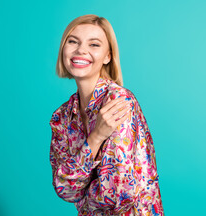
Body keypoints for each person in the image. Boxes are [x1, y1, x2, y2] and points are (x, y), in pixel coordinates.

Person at [49, 14, 164, 216]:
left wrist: (82, 190)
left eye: (94, 44)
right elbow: (64, 189)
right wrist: (96, 138)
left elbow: (120, 192)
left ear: (108, 56)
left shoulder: (119, 101)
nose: (81, 50)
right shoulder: (62, 116)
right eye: (73, 41)